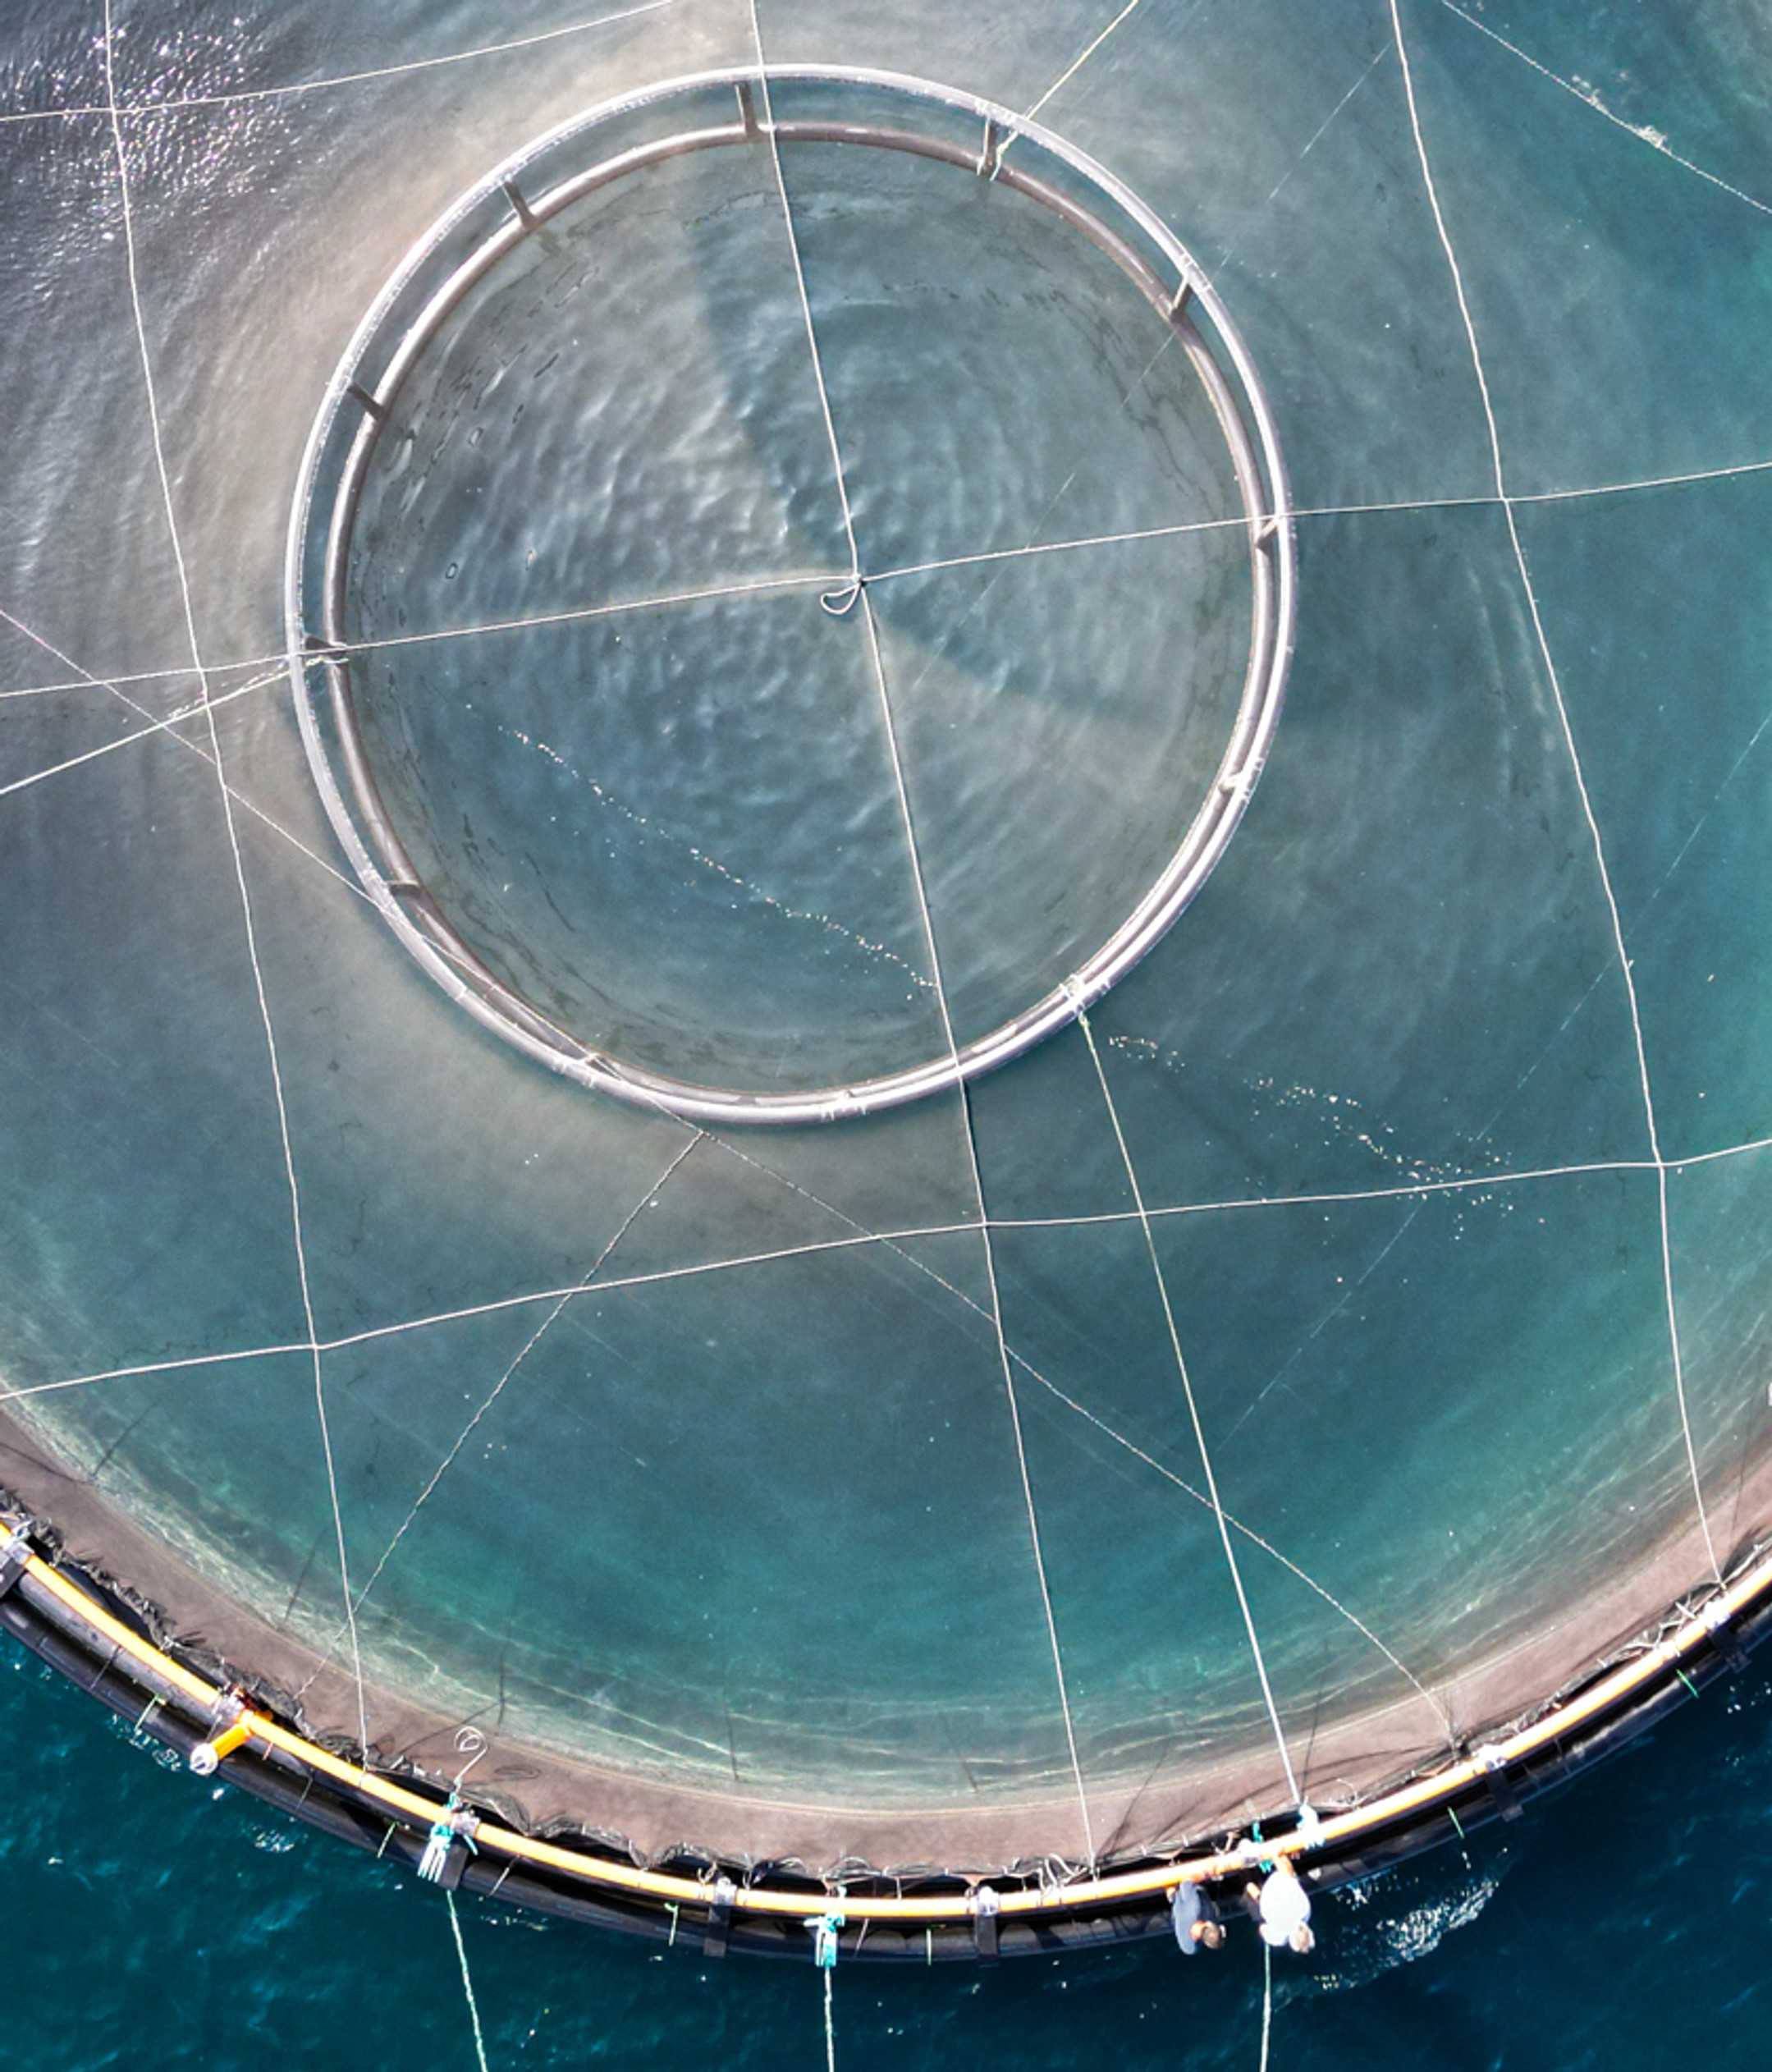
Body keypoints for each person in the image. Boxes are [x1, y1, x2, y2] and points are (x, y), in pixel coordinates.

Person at [1245, 1859, 1315, 1954]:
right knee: (1258, 1907)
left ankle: (1275, 1854)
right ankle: (1246, 1876)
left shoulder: (1305, 1912)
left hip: (1278, 1878)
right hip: (1264, 1893)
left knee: (1291, 1876)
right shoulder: (1277, 1939)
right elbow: (1262, 1928)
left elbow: (1294, 1883)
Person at [1170, 1881, 1225, 1952]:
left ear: (1209, 1924)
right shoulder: (1190, 1949)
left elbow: (1186, 1880)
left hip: (1185, 1889)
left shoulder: (1194, 1907)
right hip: (1176, 1901)